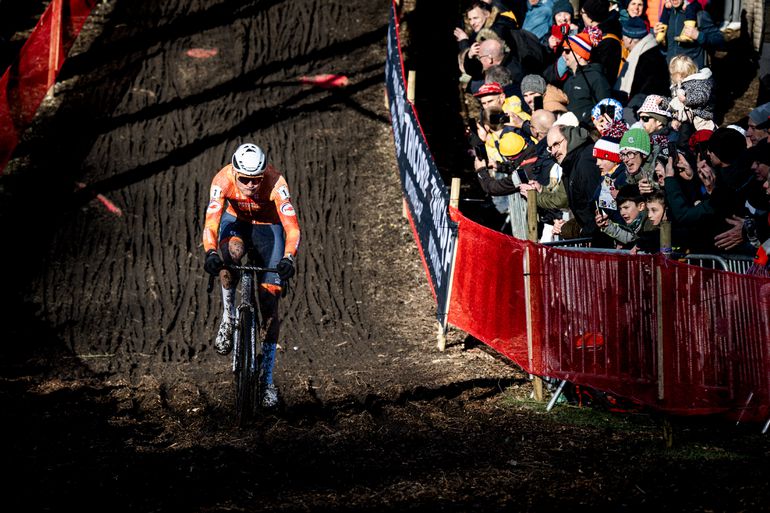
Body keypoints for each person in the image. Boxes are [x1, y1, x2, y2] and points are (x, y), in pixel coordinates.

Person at [202, 143, 301, 408]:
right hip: (237, 223)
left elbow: (291, 227)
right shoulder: (222, 180)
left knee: (269, 305)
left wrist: (289, 258)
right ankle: (228, 316)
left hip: (269, 229)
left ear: (263, 174)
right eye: (244, 179)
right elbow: (211, 220)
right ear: (235, 173)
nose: (250, 185)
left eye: (255, 180)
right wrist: (211, 252)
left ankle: (266, 380)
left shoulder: (276, 182)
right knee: (230, 257)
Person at [615, 16, 670, 107]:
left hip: (646, 109)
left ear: (630, 39)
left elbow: (643, 91)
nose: (622, 40)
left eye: (623, 36)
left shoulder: (646, 58)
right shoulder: (651, 51)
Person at [653, 0, 724, 68]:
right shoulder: (667, 15)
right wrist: (660, 40)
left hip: (694, 74)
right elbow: (666, 50)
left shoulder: (699, 14)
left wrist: (699, 36)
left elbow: (719, 40)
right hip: (673, 75)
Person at [561, 32, 613, 125]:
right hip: (570, 131)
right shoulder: (569, 80)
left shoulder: (596, 77)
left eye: (567, 51)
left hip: (590, 133)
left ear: (579, 54)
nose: (563, 54)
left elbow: (606, 111)